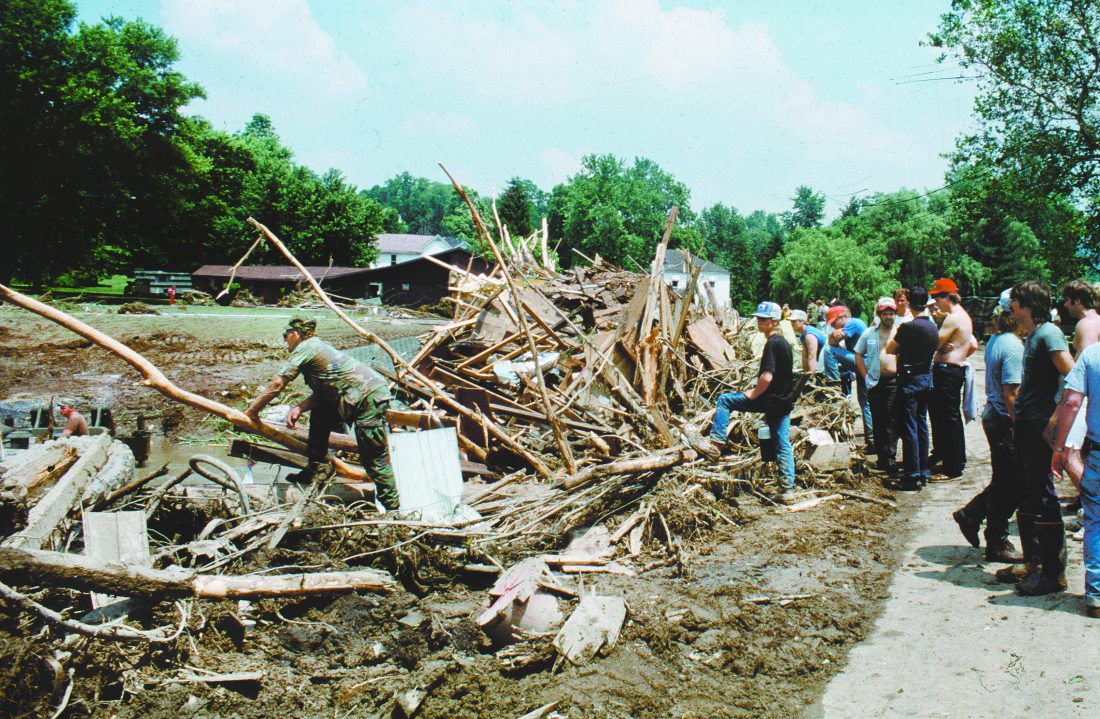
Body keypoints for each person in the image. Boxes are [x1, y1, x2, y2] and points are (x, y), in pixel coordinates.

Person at [245, 318, 399, 510]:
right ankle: (316, 469)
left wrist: (252, 412)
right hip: (351, 395)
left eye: (286, 336)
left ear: (296, 334)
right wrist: (299, 407)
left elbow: (277, 384)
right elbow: (324, 392)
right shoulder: (316, 347)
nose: (285, 340)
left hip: (368, 398)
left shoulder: (306, 347)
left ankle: (393, 508)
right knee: (319, 416)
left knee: (373, 455)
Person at [997, 281, 1074, 595]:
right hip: (1028, 424)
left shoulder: (1049, 333)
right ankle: (1034, 563)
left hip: (1040, 424)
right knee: (1030, 493)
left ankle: (1052, 573)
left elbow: (1072, 375)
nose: (1009, 308)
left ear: (1024, 303)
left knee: (1043, 494)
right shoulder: (1031, 336)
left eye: (1013, 301)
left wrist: (1057, 416)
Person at [952, 294, 1024, 562]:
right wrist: (1019, 426)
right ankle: (995, 539)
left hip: (995, 416)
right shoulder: (1013, 347)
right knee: (1012, 483)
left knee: (1005, 480)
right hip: (1004, 418)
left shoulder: (996, 340)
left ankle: (972, 516)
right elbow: (1011, 393)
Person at [703, 301, 796, 500]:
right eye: (758, 318)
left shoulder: (772, 343)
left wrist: (753, 394)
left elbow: (767, 377)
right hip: (783, 401)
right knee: (782, 443)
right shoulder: (784, 343)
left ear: (773, 321)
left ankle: (717, 444)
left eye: (763, 319)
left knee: (725, 400)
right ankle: (787, 488)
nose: (759, 322)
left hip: (769, 400)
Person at [1049, 341, 1100, 618]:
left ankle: (1097, 594)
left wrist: (1059, 448)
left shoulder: (1093, 354)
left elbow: (1071, 402)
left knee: (1097, 520)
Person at [886, 286, 939, 491]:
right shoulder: (933, 326)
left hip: (910, 379)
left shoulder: (909, 327)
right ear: (926, 303)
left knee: (909, 427)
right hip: (926, 377)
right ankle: (923, 469)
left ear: (909, 303)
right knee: (921, 424)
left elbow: (891, 349)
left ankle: (911, 474)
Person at [927, 278, 974, 481]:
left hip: (948, 372)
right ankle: (952, 459)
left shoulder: (954, 318)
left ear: (947, 297)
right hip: (950, 370)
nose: (936, 302)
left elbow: (934, 343)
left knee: (949, 419)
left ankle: (952, 467)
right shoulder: (959, 316)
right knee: (947, 418)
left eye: (938, 297)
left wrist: (938, 346)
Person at [1060, 279, 1100, 488]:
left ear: (1077, 300)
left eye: (1067, 300)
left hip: (1084, 399)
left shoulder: (1085, 324)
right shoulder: (1098, 321)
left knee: (1069, 456)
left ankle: (1091, 503)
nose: (1065, 305)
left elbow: (1081, 369)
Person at [855, 298, 901, 474]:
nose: (888, 316)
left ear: (895, 314)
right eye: (885, 313)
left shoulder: (900, 332)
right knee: (878, 419)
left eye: (891, 313)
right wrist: (865, 376)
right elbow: (858, 355)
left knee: (891, 420)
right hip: (874, 381)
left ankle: (890, 457)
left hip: (894, 382)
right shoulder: (869, 333)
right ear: (879, 314)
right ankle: (882, 456)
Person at [827, 305, 873, 451]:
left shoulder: (853, 323)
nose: (833, 325)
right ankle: (871, 440)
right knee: (864, 402)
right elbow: (831, 339)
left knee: (830, 350)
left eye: (834, 322)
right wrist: (833, 334)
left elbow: (831, 344)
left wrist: (834, 335)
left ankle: (832, 381)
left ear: (843, 317)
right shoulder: (849, 325)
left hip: (863, 362)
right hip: (862, 364)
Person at [790, 309, 829, 379]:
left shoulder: (809, 335)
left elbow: (812, 357)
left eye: (794, 321)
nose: (791, 323)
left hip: (828, 362)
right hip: (822, 362)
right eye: (791, 321)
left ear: (803, 322)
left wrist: (811, 378)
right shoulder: (802, 335)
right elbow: (805, 356)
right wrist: (805, 375)